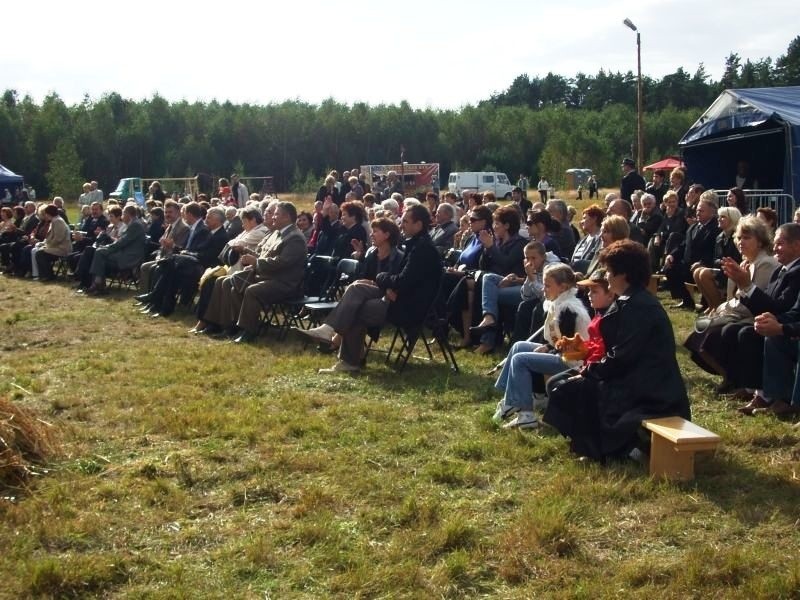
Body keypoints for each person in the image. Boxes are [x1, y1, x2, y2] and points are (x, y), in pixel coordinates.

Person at [544, 240, 690, 461]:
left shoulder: (640, 307)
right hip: (634, 376)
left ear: (624, 275)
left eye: (610, 272)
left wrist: (590, 370)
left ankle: (606, 450)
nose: (607, 276)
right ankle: (597, 445)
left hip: (652, 390)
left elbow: (623, 356)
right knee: (562, 385)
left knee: (576, 389)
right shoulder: (630, 301)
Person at [300, 204, 442, 373]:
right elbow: (400, 279)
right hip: (397, 296)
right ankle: (331, 335)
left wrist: (382, 278)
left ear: (418, 225)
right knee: (356, 288)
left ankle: (349, 359)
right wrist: (385, 282)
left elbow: (403, 281)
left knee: (356, 308)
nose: (401, 224)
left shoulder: (422, 249)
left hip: (407, 306)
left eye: (405, 221)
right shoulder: (416, 245)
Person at [491, 263, 591, 430]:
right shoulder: (558, 303)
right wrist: (547, 347)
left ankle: (526, 415)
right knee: (518, 346)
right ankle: (510, 400)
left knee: (520, 360)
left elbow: (569, 346)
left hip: (573, 362)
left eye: (547, 285)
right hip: (561, 353)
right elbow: (554, 338)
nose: (543, 289)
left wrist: (549, 349)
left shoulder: (569, 308)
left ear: (563, 287)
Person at [686, 215, 778, 381]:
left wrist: (723, 312)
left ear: (760, 241)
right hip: (736, 313)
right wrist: (721, 310)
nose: (741, 242)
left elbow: (755, 301)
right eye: (739, 238)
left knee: (712, 333)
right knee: (697, 335)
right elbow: (733, 297)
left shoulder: (766, 264)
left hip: (751, 317)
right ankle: (728, 377)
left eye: (747, 238)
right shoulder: (744, 263)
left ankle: (734, 379)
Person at [715, 223, 800, 400]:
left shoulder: (795, 271)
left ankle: (764, 394)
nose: (775, 248)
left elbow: (781, 307)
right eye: (775, 243)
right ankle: (742, 384)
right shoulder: (781, 269)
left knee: (749, 334)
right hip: (782, 321)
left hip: (788, 326)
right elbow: (768, 304)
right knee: (730, 331)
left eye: (780, 243)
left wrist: (746, 285)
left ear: (797, 245)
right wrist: (744, 287)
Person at [202, 201, 307, 343]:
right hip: (267, 277)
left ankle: (249, 331)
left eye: (276, 214)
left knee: (251, 291)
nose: (273, 217)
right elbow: (264, 255)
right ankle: (225, 325)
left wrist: (255, 263)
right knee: (227, 282)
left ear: (286, 217)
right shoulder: (276, 233)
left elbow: (282, 263)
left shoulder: (295, 238)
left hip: (285, 283)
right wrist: (247, 253)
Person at [662, 193, 720, 309]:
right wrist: (672, 255)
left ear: (712, 213)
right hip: (688, 264)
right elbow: (683, 245)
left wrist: (703, 262)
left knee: (700, 272)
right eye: (697, 210)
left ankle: (707, 303)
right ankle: (687, 300)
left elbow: (715, 251)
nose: (697, 213)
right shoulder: (693, 227)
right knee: (669, 269)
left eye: (701, 211)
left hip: (704, 265)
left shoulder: (715, 229)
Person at [82, 205, 147, 294]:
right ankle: (98, 284)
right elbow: (122, 241)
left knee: (99, 252)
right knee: (99, 253)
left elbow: (122, 242)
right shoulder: (133, 223)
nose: (122, 216)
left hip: (130, 257)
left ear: (128, 214)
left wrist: (107, 247)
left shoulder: (135, 225)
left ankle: (97, 284)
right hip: (125, 252)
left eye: (123, 213)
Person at [692, 206, 742, 311]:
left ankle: (718, 307)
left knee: (704, 273)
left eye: (723, 217)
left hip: (733, 272)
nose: (719, 219)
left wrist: (722, 261)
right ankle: (712, 306)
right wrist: (721, 261)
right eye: (719, 216)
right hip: (722, 269)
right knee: (697, 272)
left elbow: (737, 259)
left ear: (732, 219)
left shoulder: (737, 237)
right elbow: (715, 259)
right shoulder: (720, 237)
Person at [33, 204, 72, 280]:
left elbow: (58, 239)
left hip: (62, 249)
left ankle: (47, 275)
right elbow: (50, 237)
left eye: (46, 214)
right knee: (39, 251)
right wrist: (43, 244)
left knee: (40, 253)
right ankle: (43, 274)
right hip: (56, 247)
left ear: (48, 214)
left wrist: (47, 246)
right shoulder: (54, 221)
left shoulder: (58, 222)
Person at [570, 205, 604, 272]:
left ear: (594, 218)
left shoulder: (601, 239)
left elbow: (595, 263)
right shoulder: (583, 240)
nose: (581, 222)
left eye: (585, 218)